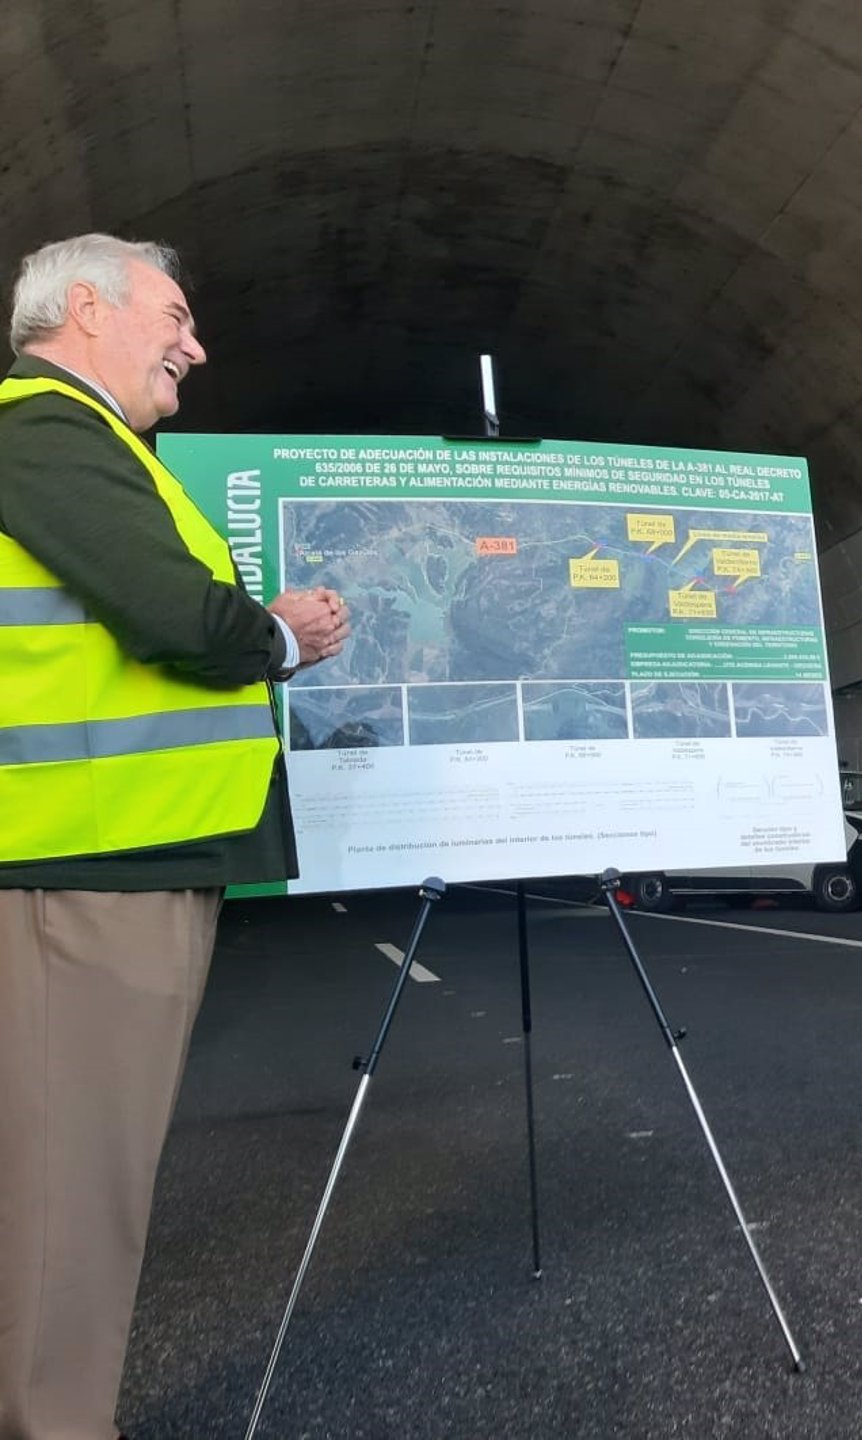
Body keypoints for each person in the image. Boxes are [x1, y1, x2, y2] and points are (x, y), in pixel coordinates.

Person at [0, 234, 348, 1440]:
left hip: (116, 862)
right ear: (84, 309)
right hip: (83, 872)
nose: (195, 346)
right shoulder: (42, 431)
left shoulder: (89, 446)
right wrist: (284, 632)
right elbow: (174, 618)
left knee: (75, 1185)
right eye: (177, 316)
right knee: (68, 1198)